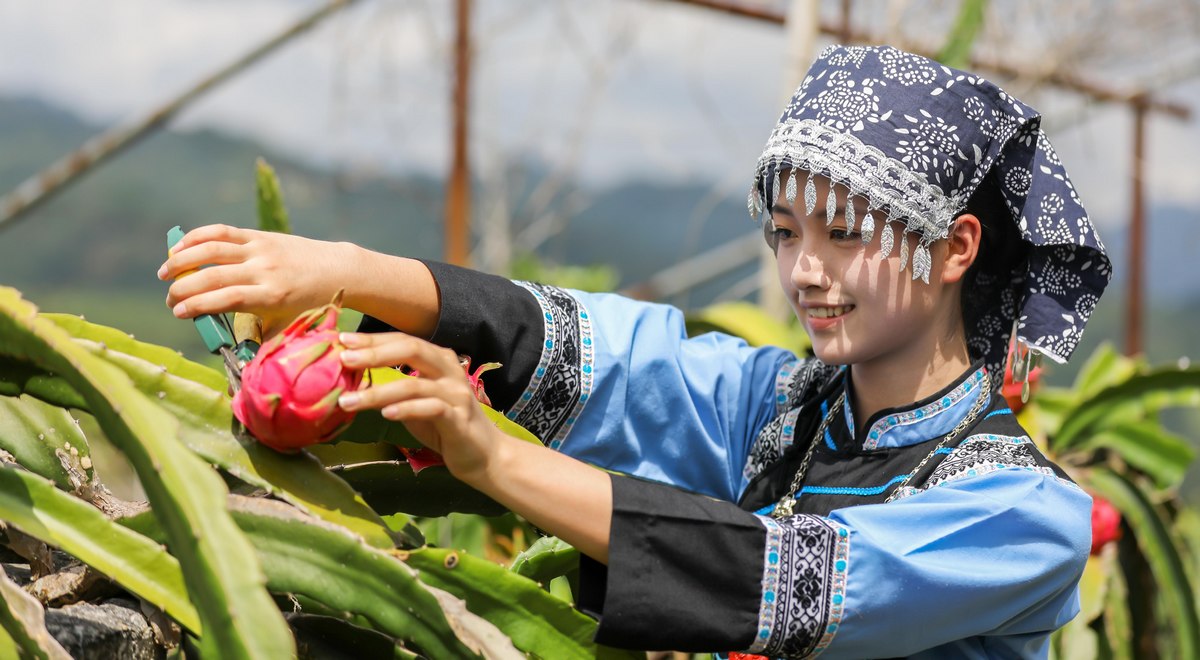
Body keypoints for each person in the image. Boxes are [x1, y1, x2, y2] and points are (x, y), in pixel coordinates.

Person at [158, 45, 1112, 658]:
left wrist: (492, 458)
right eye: (785, 233)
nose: (806, 273)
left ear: (955, 247)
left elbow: (791, 575)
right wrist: (348, 270)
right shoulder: (779, 409)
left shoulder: (1024, 516)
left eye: (846, 234)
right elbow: (608, 358)